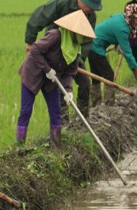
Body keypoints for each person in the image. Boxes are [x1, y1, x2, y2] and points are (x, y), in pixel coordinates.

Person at [17, 10, 96, 149]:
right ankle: (20, 146)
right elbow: (35, 50)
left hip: (52, 79)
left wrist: (68, 90)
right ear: (73, 31)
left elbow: (70, 72)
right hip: (33, 73)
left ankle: (56, 147)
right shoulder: (55, 35)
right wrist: (47, 69)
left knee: (56, 111)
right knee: (26, 110)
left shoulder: (75, 48)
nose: (82, 37)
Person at [24, 0, 104, 116]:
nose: (92, 11)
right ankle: (63, 122)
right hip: (54, 52)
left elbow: (87, 40)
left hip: (73, 54)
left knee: (84, 83)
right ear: (82, 1)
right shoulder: (63, 3)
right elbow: (40, 16)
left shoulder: (91, 16)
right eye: (91, 8)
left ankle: (83, 118)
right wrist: (30, 40)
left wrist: (79, 60)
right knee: (59, 87)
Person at [89, 3, 137, 102]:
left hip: (92, 43)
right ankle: (109, 103)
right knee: (109, 74)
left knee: (96, 75)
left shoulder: (121, 17)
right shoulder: (123, 29)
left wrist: (117, 43)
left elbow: (110, 29)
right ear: (130, 17)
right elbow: (128, 54)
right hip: (95, 46)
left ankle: (96, 104)